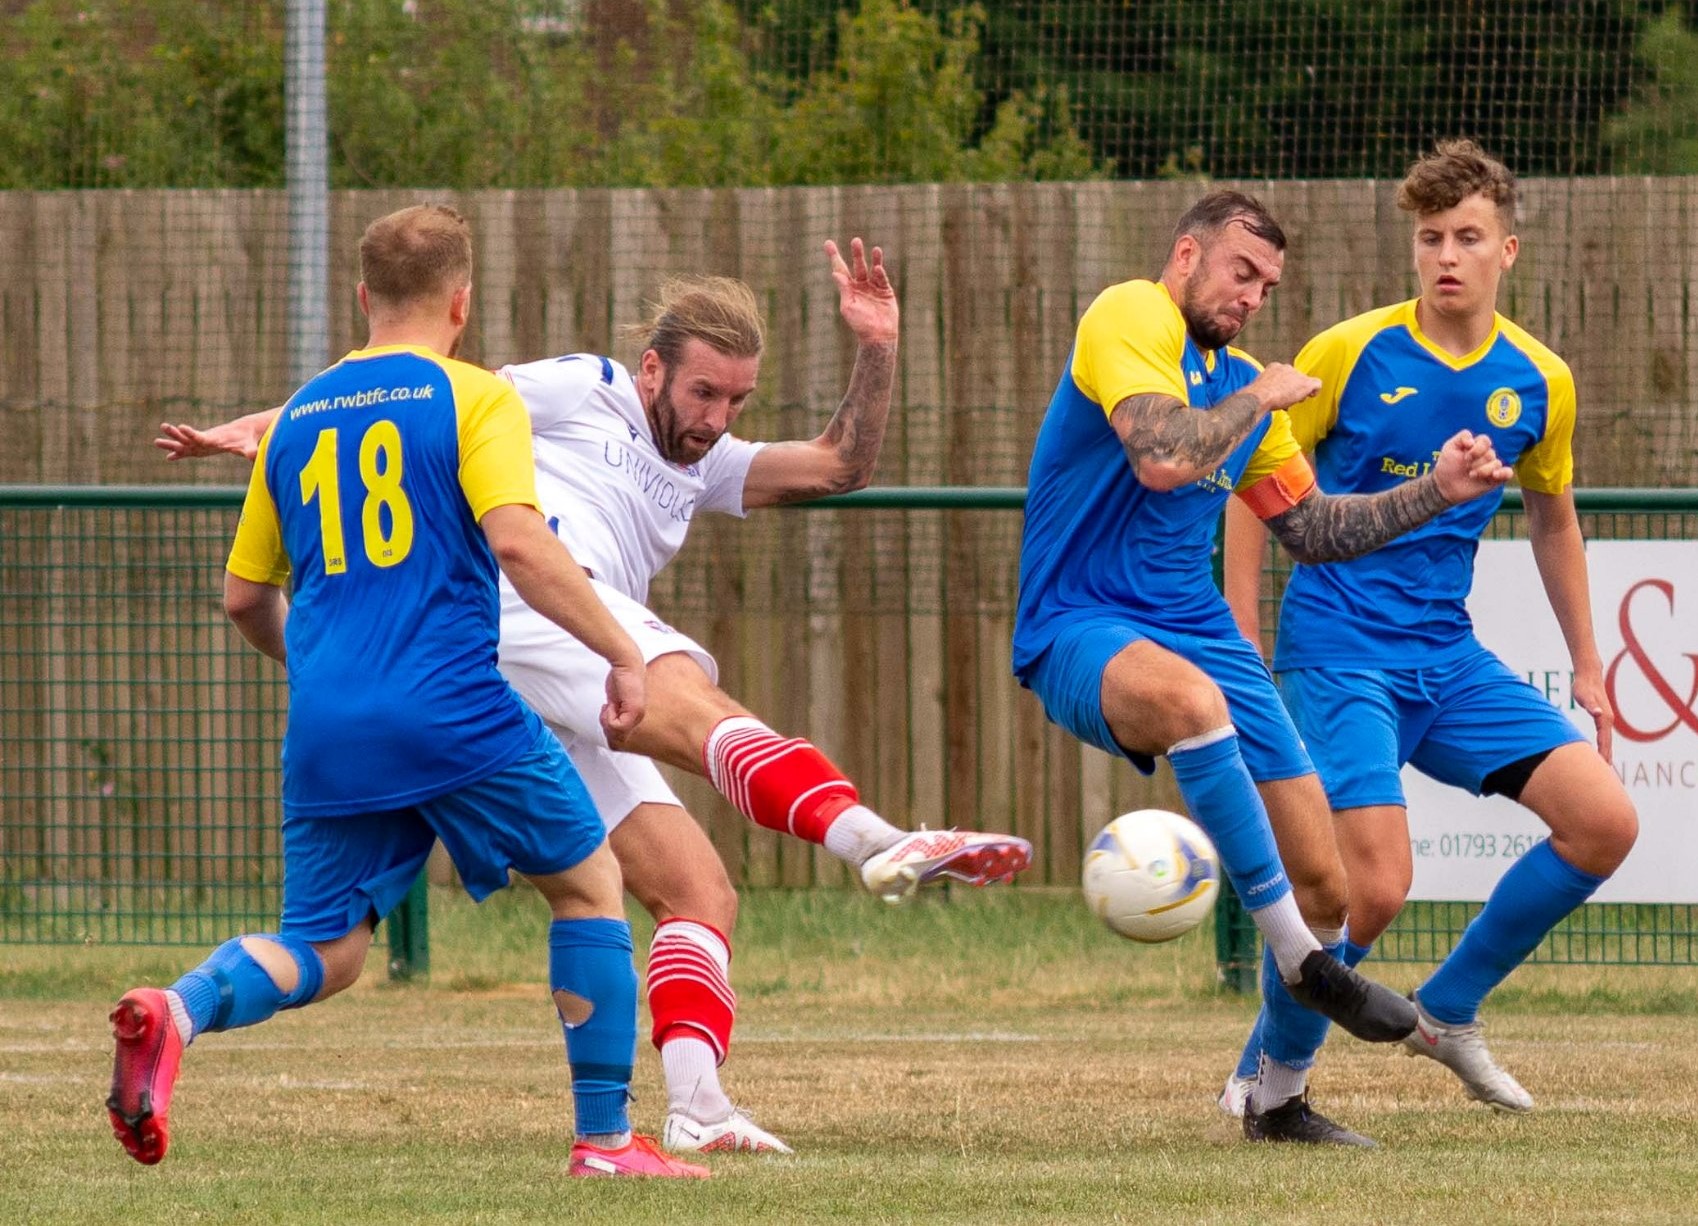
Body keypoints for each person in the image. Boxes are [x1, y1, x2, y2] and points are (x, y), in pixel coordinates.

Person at [154, 237, 1033, 1157]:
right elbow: (414, 394)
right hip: (529, 613)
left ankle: (696, 1110)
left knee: (696, 891)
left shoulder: (708, 464)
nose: (715, 417)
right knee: (687, 694)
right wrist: (256, 426)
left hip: (546, 676)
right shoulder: (587, 385)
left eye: (737, 399)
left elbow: (839, 467)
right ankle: (878, 844)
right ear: (653, 367)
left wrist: (879, 345)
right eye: (702, 393)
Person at [110, 205, 709, 1177]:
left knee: (328, 947)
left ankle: (175, 1008)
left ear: (362, 298)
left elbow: (242, 598)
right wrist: (623, 652)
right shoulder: (473, 399)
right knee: (590, 882)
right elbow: (521, 541)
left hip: (328, 719)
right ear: (462, 301)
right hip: (452, 702)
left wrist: (325, 672)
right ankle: (604, 1137)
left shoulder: (300, 414)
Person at [1012, 189, 1516, 1147]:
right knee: (1192, 703)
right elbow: (1161, 454)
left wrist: (1434, 493)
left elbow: (1318, 530)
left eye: (1267, 285)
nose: (1251, 295)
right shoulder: (1130, 314)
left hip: (1197, 630)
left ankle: (1277, 1099)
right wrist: (1258, 398)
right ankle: (1296, 960)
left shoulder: (1246, 380)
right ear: (1187, 253)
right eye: (1240, 272)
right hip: (1080, 623)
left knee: (1330, 888)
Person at [1218, 141, 1638, 1119]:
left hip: (1446, 655)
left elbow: (1553, 517)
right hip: (1338, 649)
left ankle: (1446, 1009)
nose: (1446, 255)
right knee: (1372, 888)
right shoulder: (1350, 351)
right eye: (1430, 238)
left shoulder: (1542, 380)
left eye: (1467, 237)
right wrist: (1240, 625)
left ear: (1509, 250)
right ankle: (1264, 1084)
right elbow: (1252, 483)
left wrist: (1589, 663)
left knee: (1606, 822)